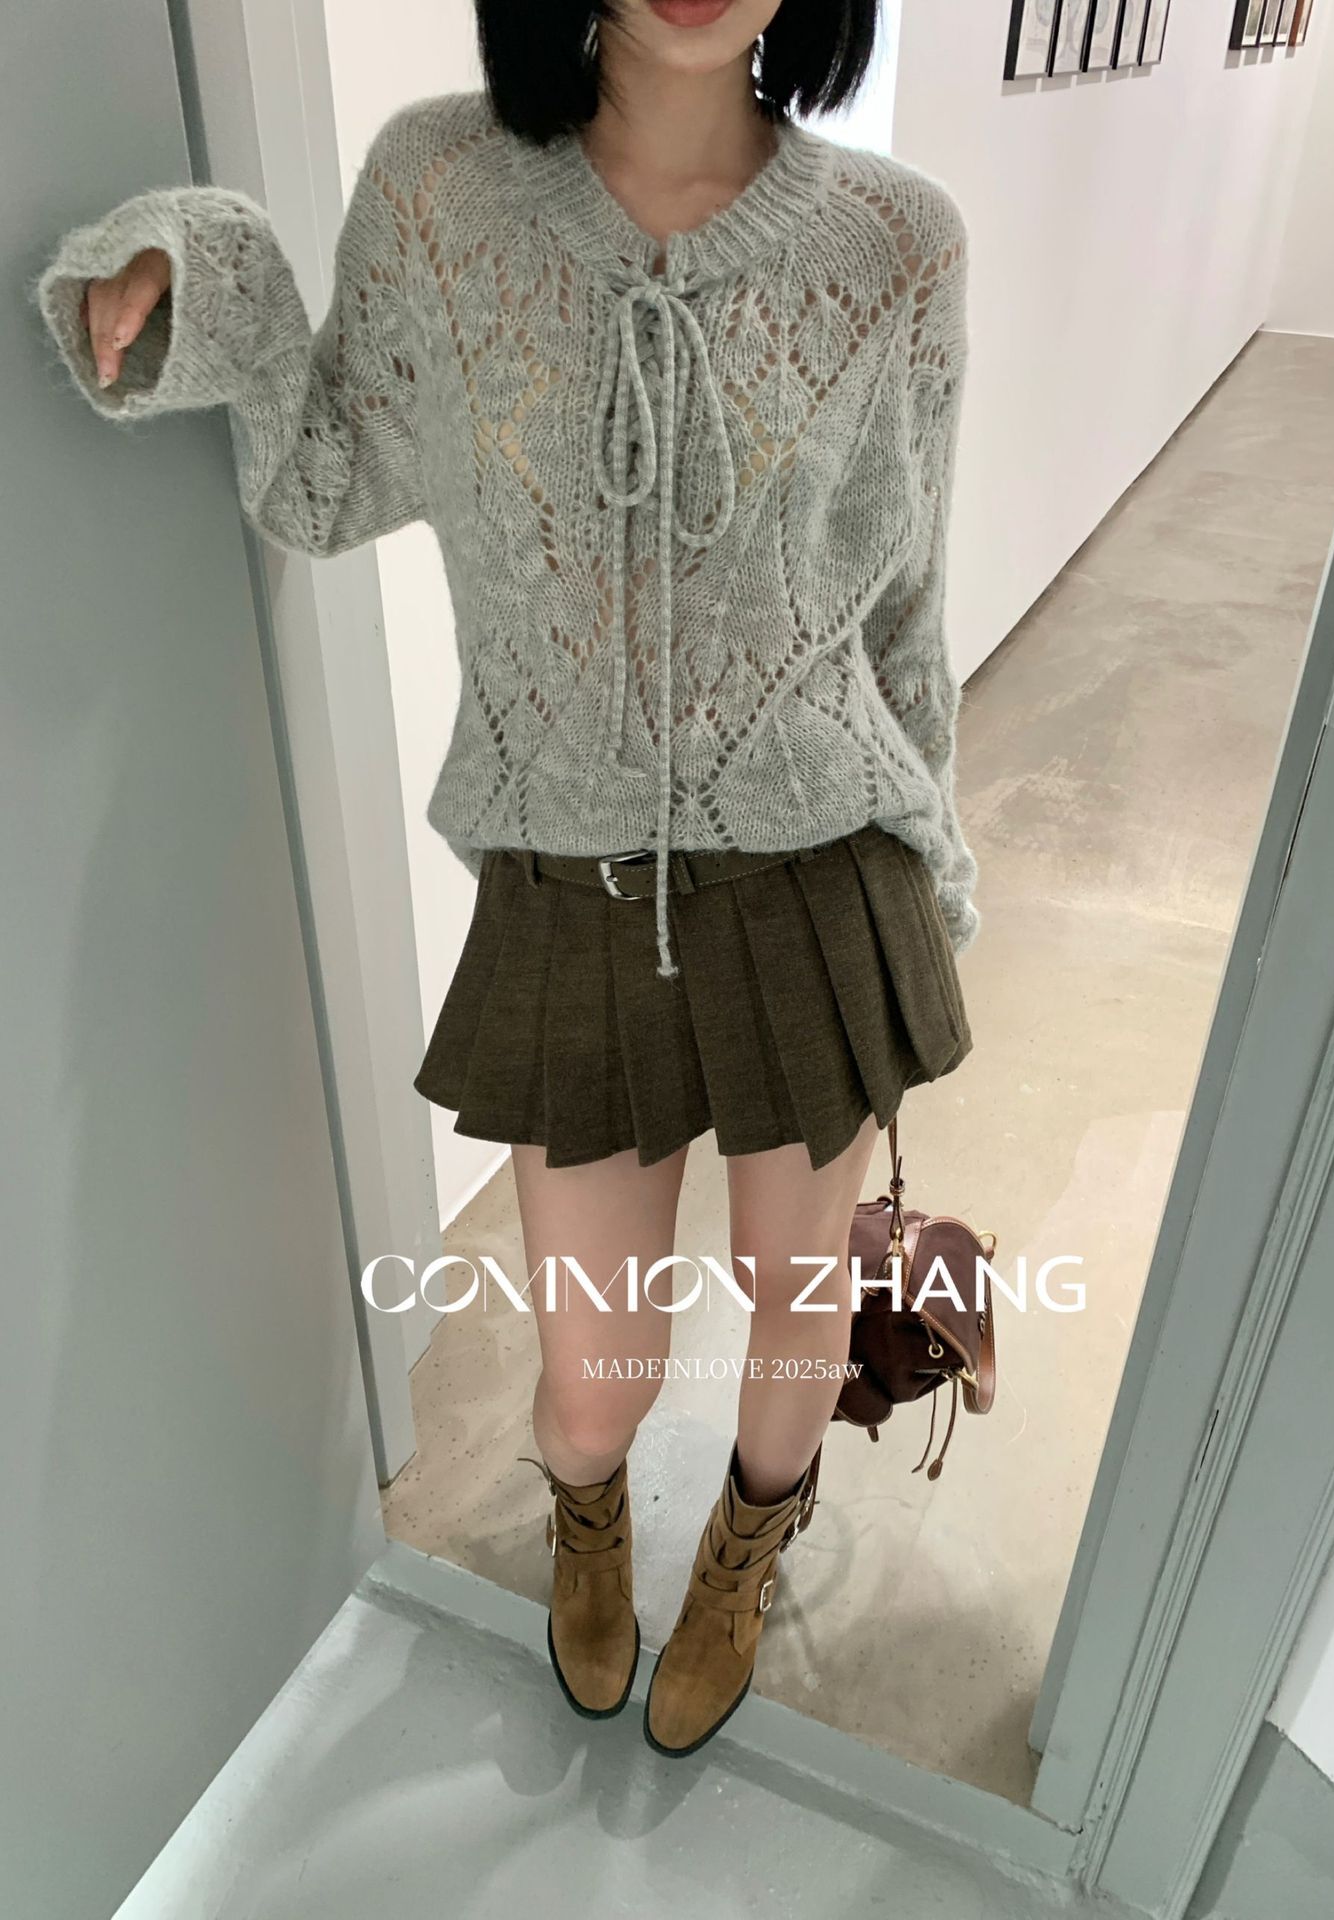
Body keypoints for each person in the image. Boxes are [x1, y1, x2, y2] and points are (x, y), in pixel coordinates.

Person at [34, 0, 979, 1758]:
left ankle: (748, 1545)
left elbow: (908, 602)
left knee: (796, 1314)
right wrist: (205, 265)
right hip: (572, 882)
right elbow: (326, 473)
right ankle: (588, 1513)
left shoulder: (898, 244)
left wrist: (941, 869)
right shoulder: (440, 191)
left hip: (823, 873)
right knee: (592, 1379)